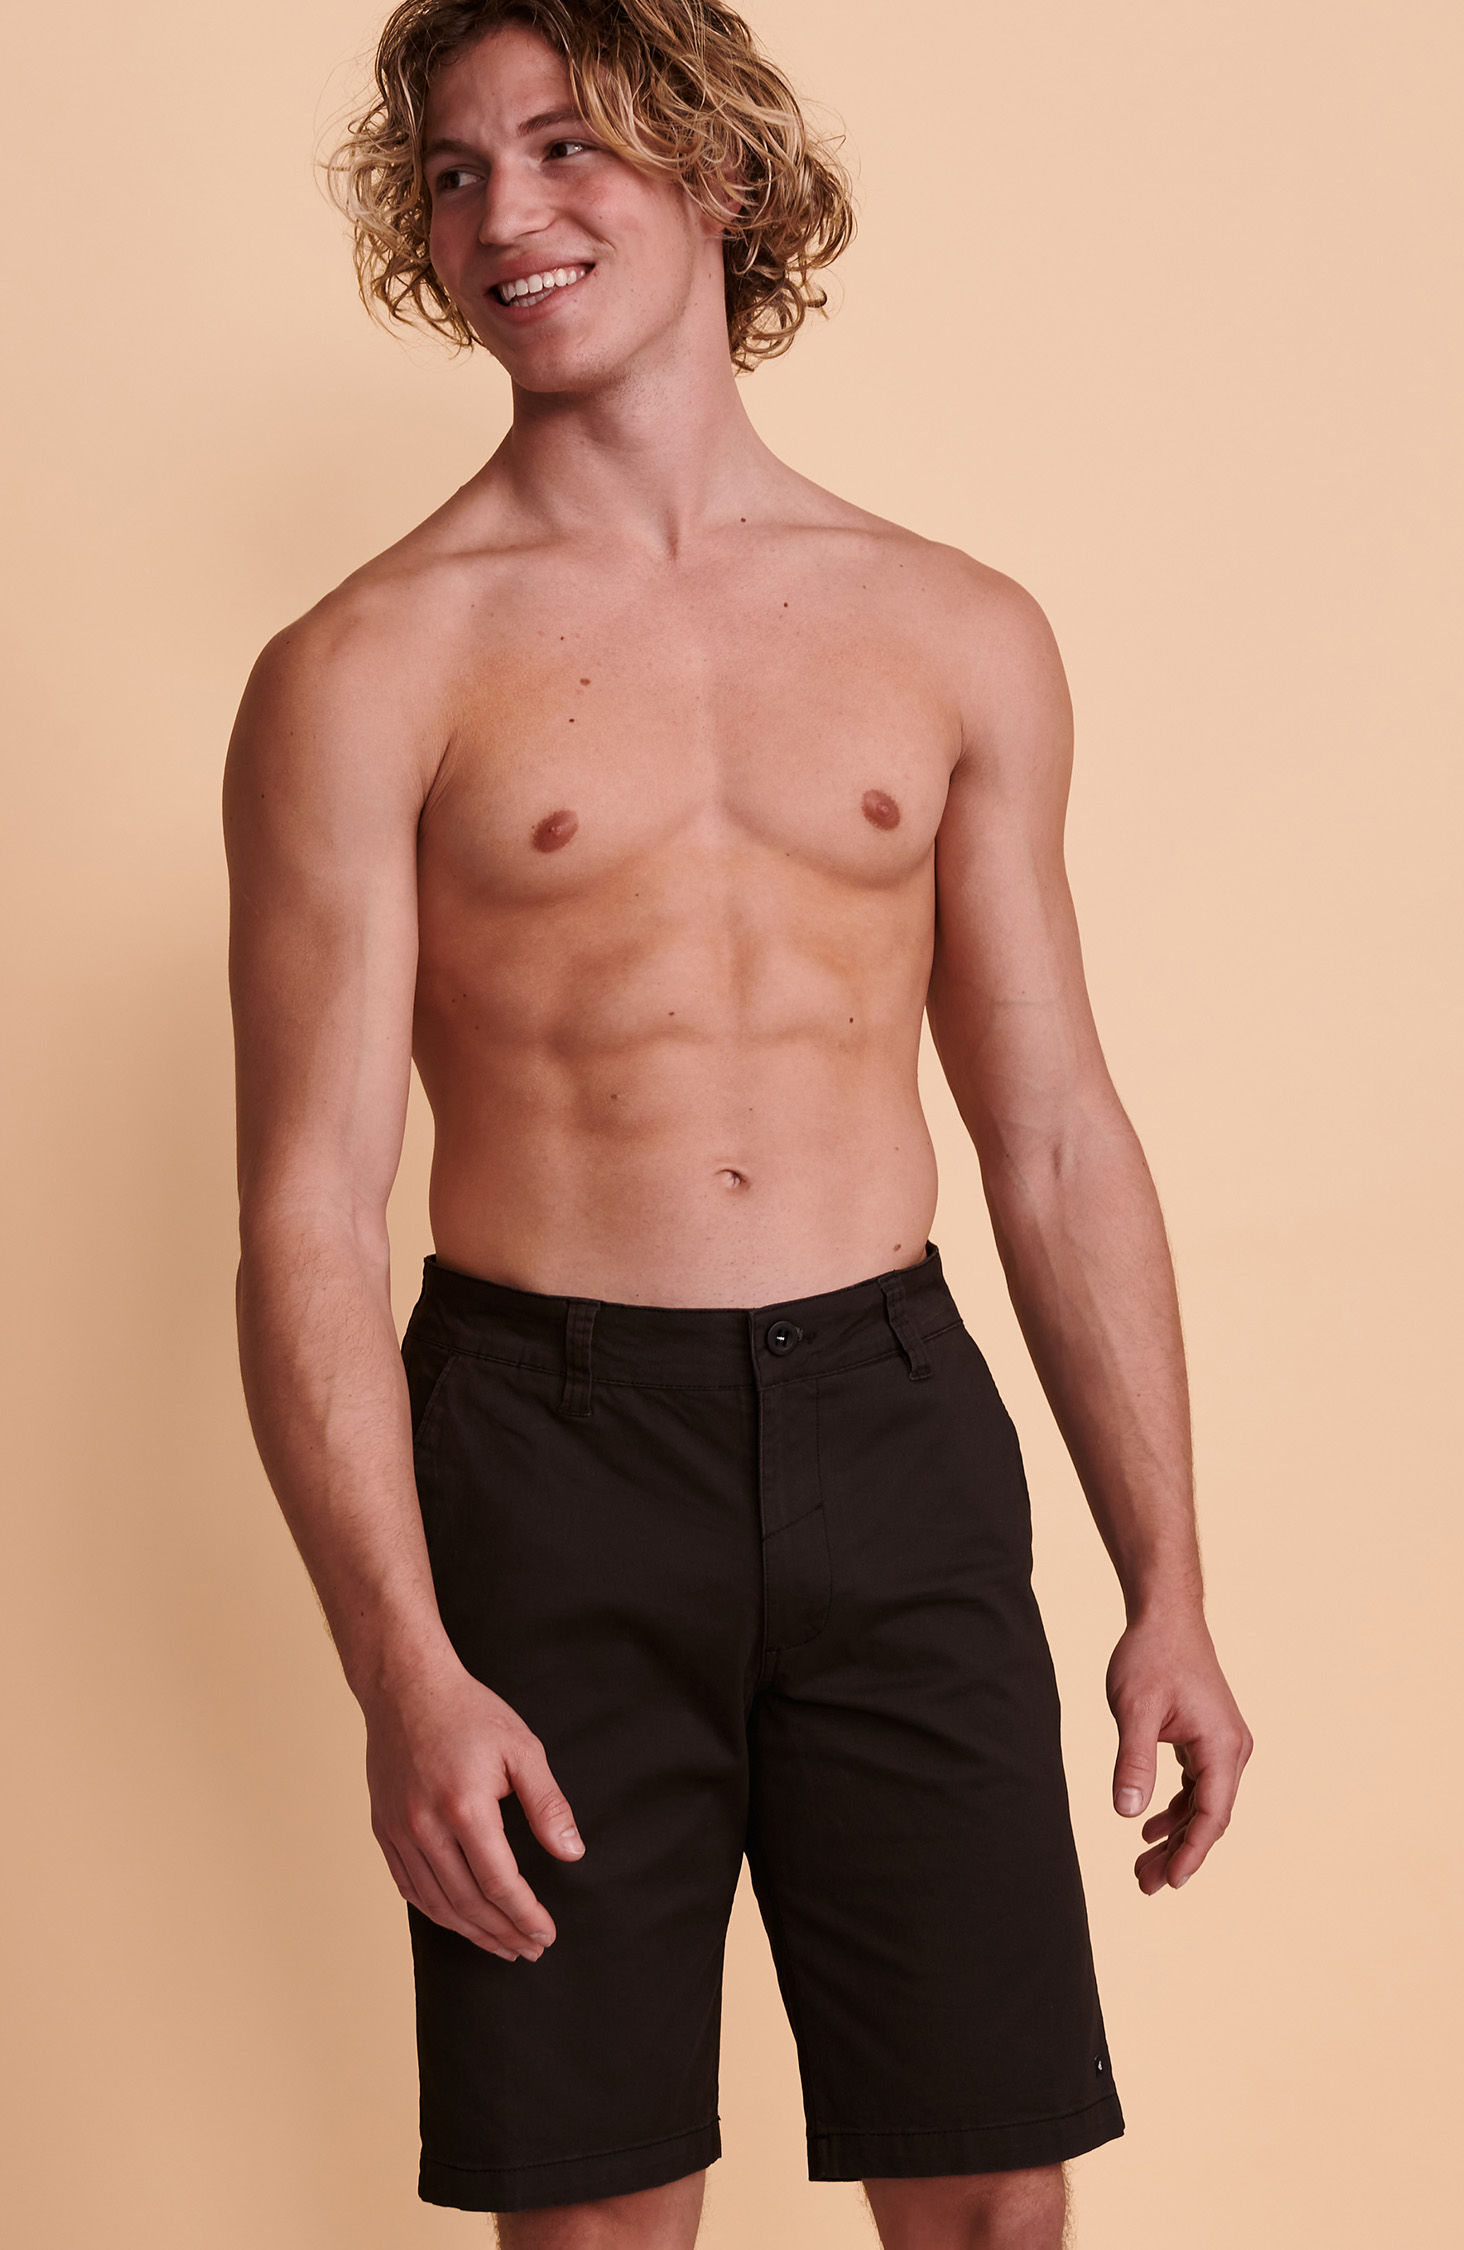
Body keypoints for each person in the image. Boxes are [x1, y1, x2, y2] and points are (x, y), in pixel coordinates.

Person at [224, 2, 1251, 2242]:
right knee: (596, 2215)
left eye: (566, 146)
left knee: (993, 2200)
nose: (506, 213)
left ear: (719, 172)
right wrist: (403, 1669)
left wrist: (1167, 1580)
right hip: (546, 1459)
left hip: (892, 1427)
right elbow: (307, 1204)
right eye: (457, 171)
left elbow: (1055, 1132)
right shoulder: (365, 667)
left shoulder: (957, 630)